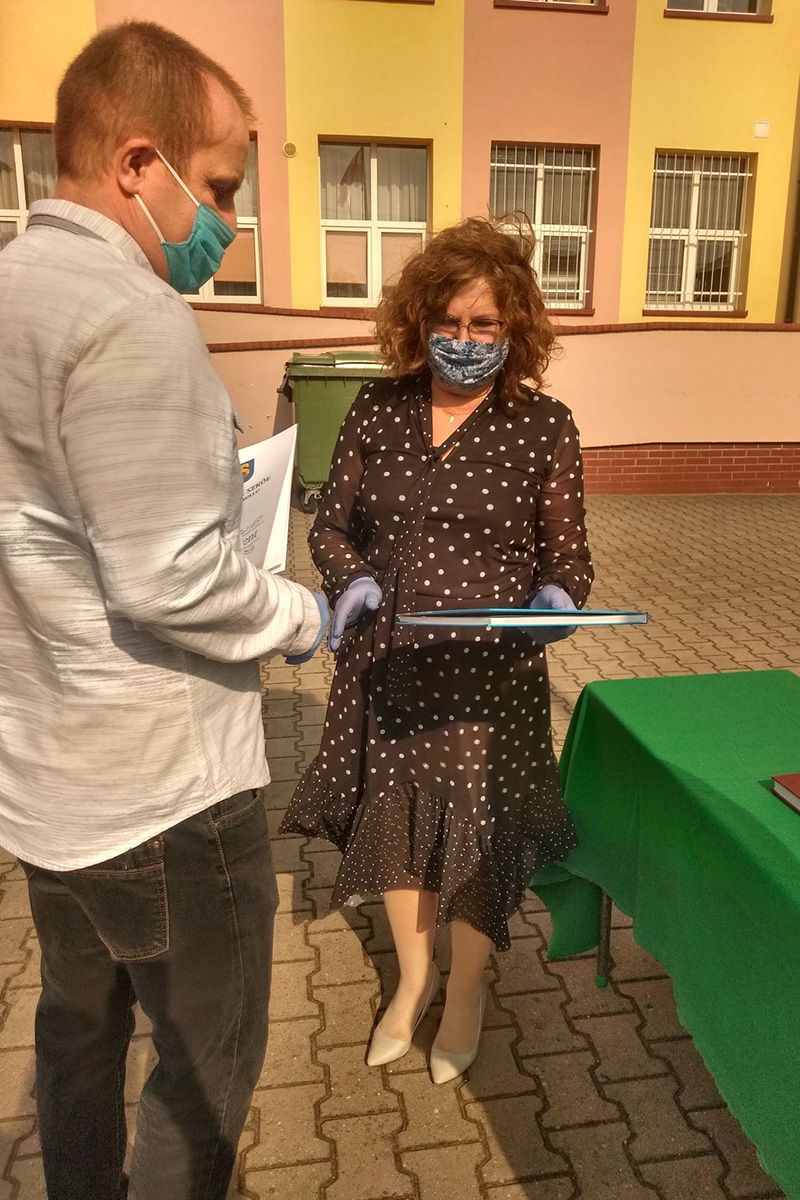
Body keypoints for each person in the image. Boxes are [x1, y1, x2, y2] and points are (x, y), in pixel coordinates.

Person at [0, 22, 327, 1200]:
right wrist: (300, 615)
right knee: (200, 1067)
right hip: (165, 794)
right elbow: (168, 577)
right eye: (222, 187)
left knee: (76, 1033)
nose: (228, 223)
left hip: (51, 785)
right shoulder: (128, 313)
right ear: (139, 163)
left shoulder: (13, 290)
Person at [281, 217, 593, 1084]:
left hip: (487, 679)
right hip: (387, 667)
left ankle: (465, 991)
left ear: (514, 327)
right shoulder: (377, 408)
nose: (464, 339)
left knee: (475, 836)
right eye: (448, 322)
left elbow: (569, 558)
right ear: (419, 321)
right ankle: (414, 981)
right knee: (398, 827)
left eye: (484, 324)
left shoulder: (544, 426)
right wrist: (350, 579)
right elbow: (330, 524)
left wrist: (560, 600)